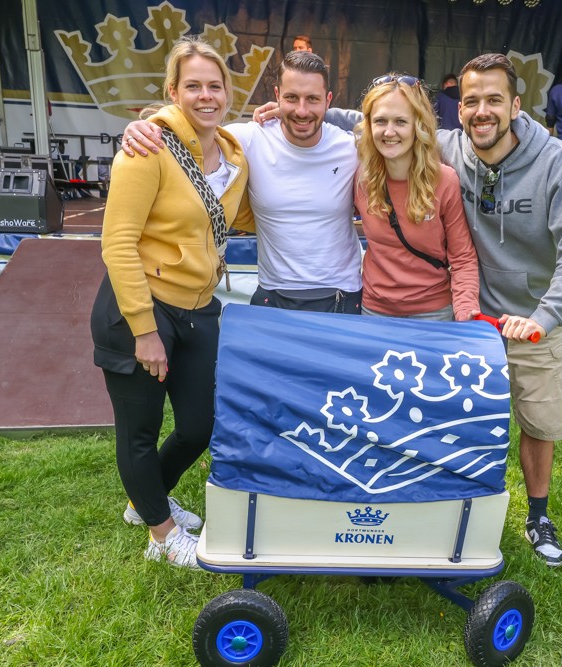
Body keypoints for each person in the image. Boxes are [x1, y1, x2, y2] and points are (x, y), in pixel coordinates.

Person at [325, 53, 562, 567]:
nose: (482, 111)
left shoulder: (559, 162)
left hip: (528, 317)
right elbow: (380, 119)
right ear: (458, 110)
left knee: (538, 422)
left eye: (494, 100)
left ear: (516, 106)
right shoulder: (451, 146)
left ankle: (537, 514)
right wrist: (302, 111)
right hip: (462, 319)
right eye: (471, 101)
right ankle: (439, 513)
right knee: (455, 422)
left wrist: (542, 318)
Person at [90, 37, 254, 568]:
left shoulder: (233, 155)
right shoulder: (147, 148)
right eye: (193, 86)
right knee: (138, 431)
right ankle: (162, 534)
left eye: (215, 85)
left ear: (228, 92)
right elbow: (117, 242)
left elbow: (233, 219)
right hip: (139, 307)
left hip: (201, 306)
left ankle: (148, 499)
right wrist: (143, 330)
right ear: (171, 91)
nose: (205, 96)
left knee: (198, 425)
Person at [120, 51, 363, 314]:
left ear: (328, 100)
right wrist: (148, 125)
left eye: (312, 99)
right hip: (273, 295)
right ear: (277, 95)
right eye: (292, 98)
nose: (302, 110)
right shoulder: (248, 139)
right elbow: (192, 130)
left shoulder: (352, 147)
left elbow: (397, 131)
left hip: (342, 295)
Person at [355, 74, 478, 320]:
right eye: (380, 121)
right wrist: (281, 112)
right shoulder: (361, 178)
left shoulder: (444, 181)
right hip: (374, 312)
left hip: (433, 314)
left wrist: (465, 310)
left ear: (418, 125)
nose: (389, 132)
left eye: (401, 121)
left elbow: (463, 257)